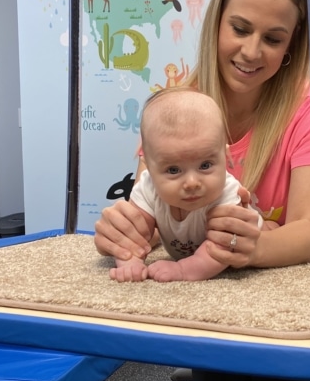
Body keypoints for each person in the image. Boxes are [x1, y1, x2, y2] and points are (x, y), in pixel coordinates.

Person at [95, 0, 310, 381]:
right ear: (215, 23)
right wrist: (122, 237)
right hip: (215, 325)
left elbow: (309, 232)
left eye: (273, 38)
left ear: (291, 45)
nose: (252, 51)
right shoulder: (174, 110)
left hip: (296, 329)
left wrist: (241, 247)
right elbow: (151, 217)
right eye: (240, 28)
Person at [110, 87, 260, 283]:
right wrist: (130, 261)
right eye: (173, 170)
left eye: (205, 165)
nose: (191, 183)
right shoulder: (148, 187)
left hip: (250, 243)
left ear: (225, 156)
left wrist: (183, 270)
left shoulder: (227, 193)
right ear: (149, 163)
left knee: (265, 231)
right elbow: (134, 233)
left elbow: (221, 248)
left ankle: (270, 225)